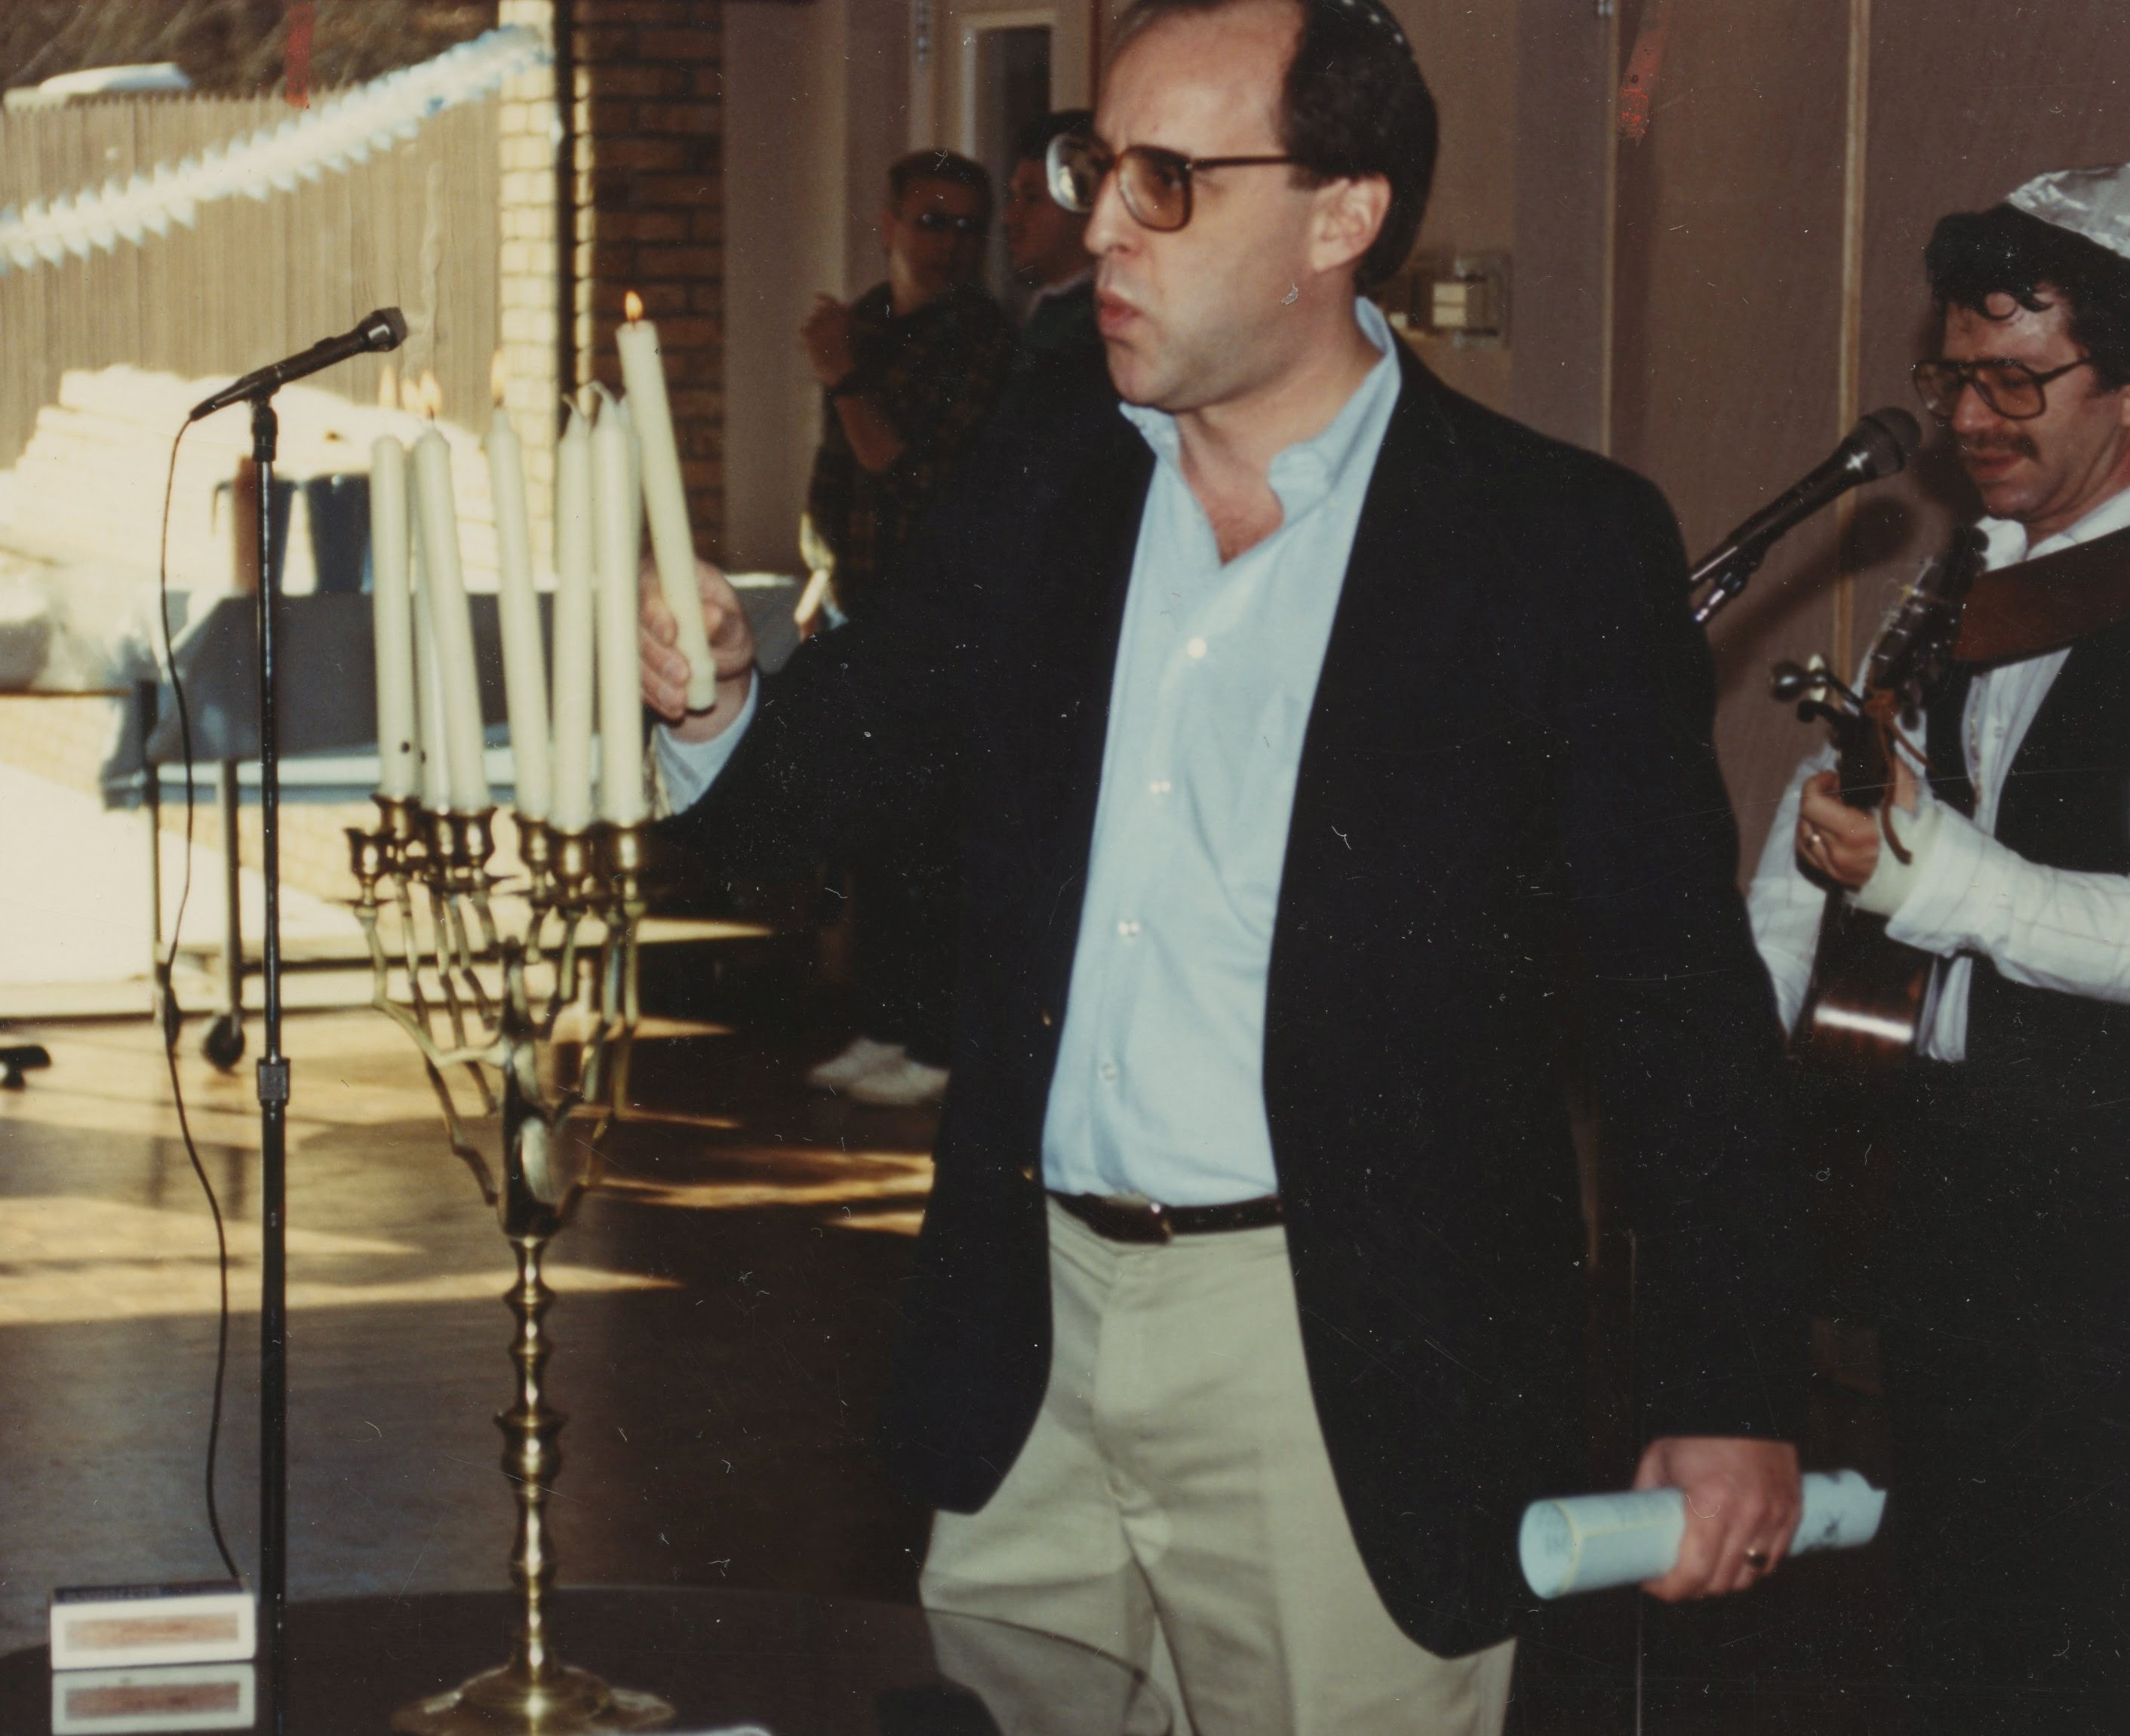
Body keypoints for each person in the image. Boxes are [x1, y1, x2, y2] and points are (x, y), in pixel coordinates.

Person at [647, 0, 1804, 1728]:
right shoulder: (1041, 497)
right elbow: (800, 810)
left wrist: (1728, 1386)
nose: (1102, 222)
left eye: (1168, 179)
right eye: (1094, 165)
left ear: (1343, 217)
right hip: (1025, 1339)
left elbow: (1675, 1001)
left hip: (1343, 1357)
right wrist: (719, 706)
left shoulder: (1543, 545)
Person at [1750, 167, 2130, 1730]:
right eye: (1951, 377)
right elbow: (1829, 822)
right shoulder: (1970, 569)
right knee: (1967, 1627)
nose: (1972, 415)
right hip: (1959, 1202)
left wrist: (1933, 872)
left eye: (2017, 379)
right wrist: (1734, 1026)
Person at [800, 149, 1016, 1106]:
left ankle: (934, 1043)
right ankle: (883, 1025)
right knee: (876, 834)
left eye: (970, 226)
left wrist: (844, 375)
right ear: (888, 226)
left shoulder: (977, 336)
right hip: (868, 607)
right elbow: (838, 476)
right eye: (932, 221)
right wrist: (821, 582)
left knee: (931, 840)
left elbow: (906, 469)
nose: (952, 244)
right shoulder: (870, 320)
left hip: (943, 618)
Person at [1001, 109, 1102, 373]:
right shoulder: (1048, 311)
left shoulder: (1092, 328)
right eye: (1013, 197)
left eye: (1033, 198)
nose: (1010, 217)